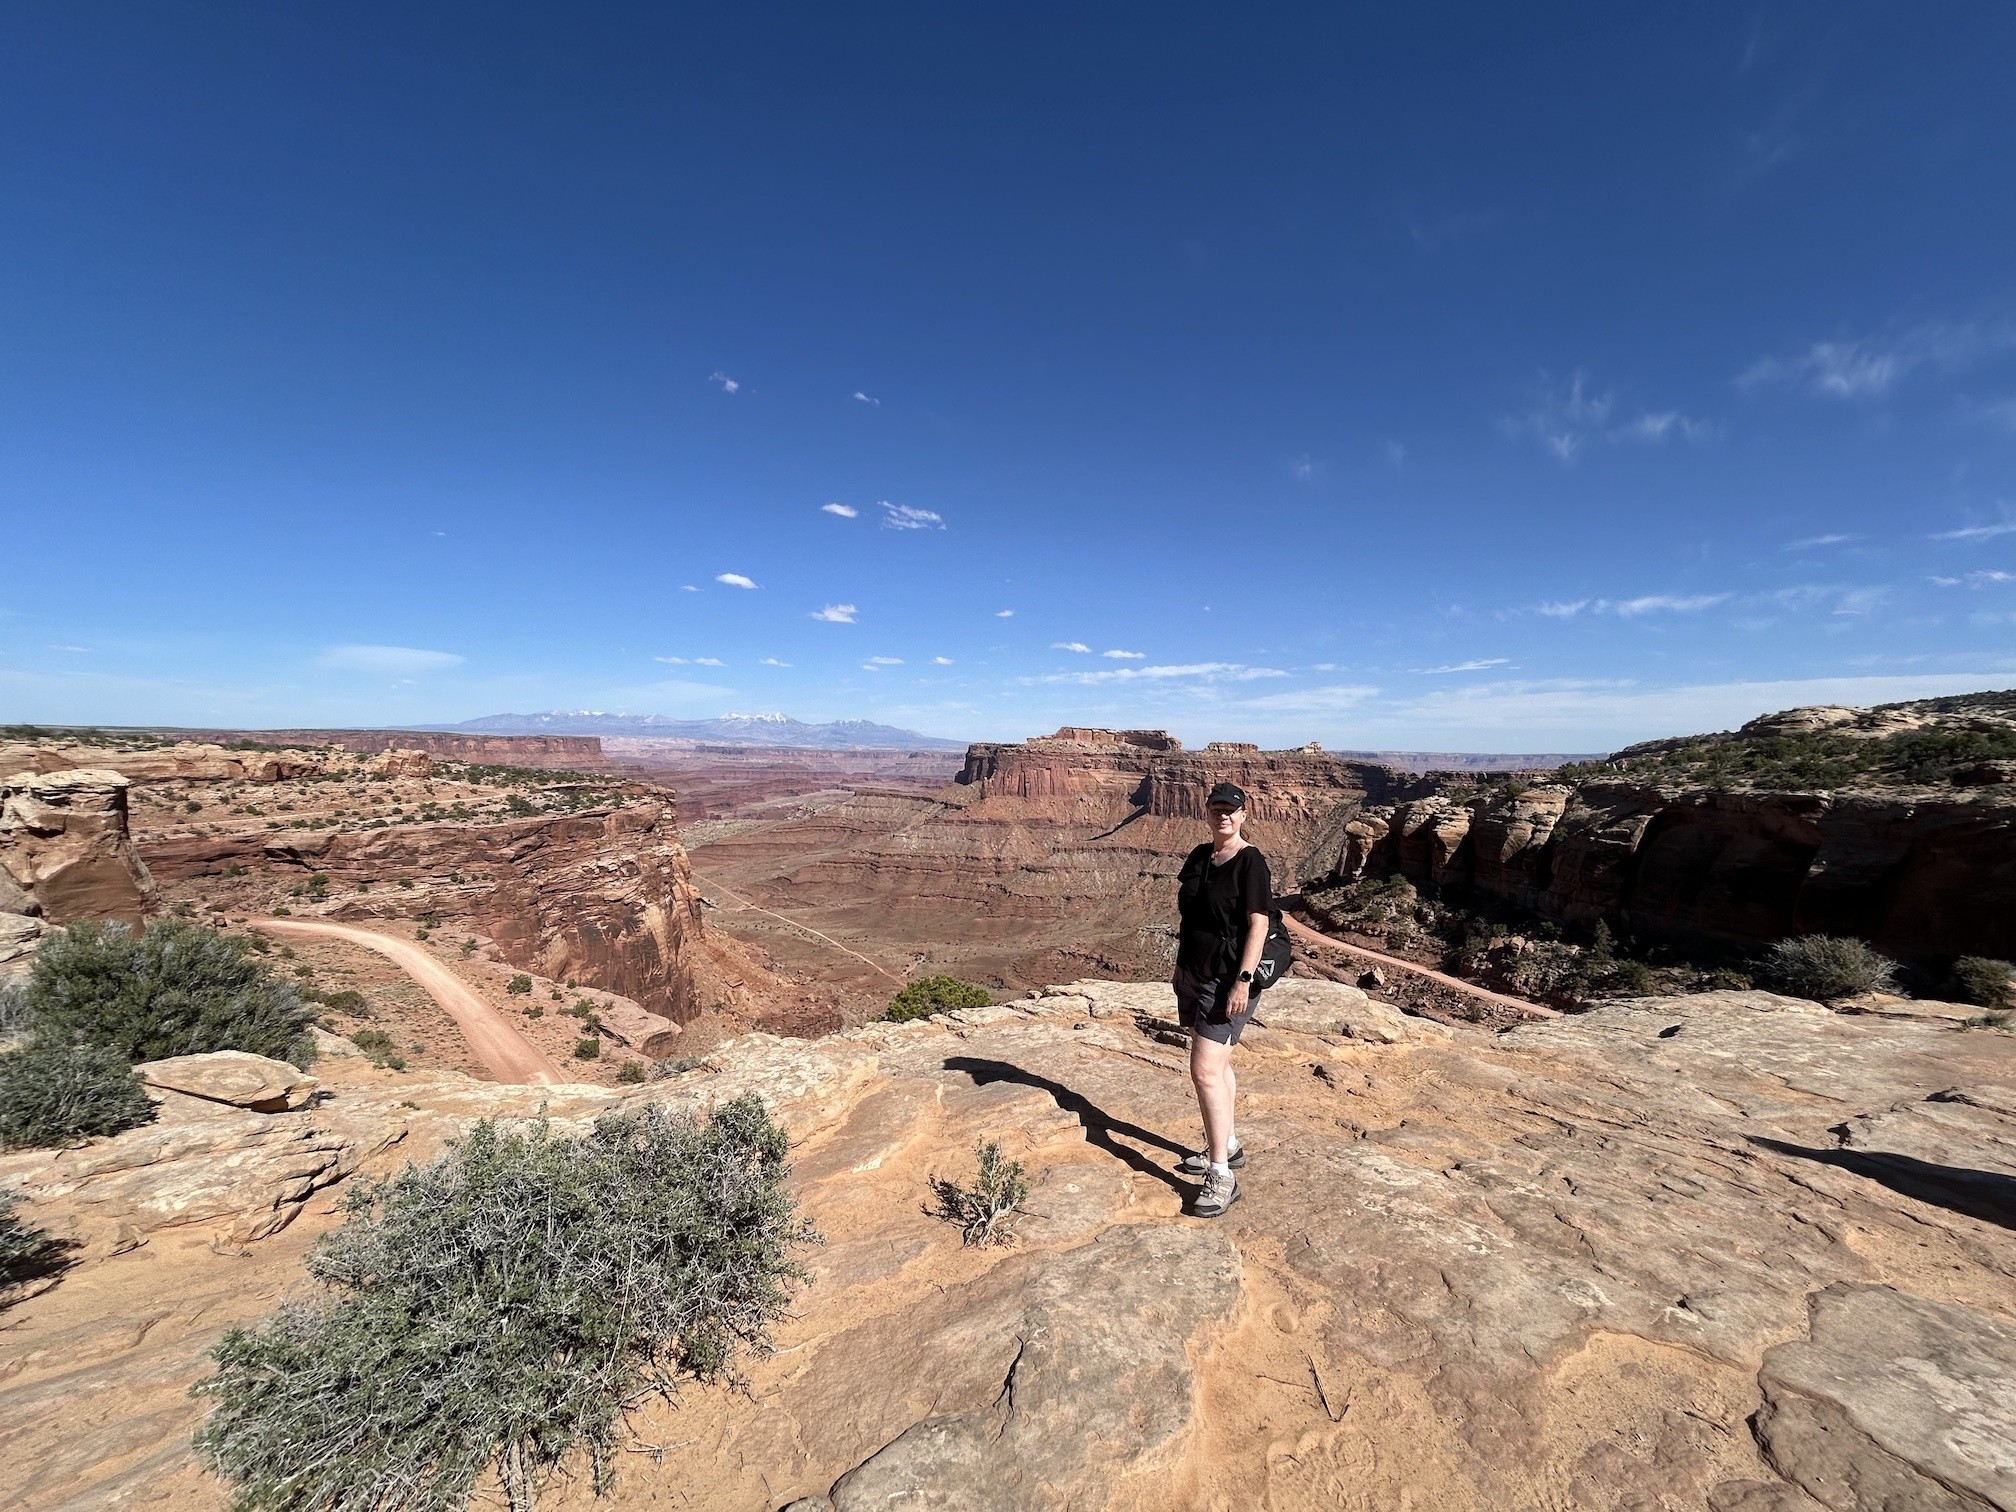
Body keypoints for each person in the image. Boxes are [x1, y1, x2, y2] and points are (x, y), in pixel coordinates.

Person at [1172, 779, 1273, 1218]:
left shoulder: (1251, 863)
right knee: (1220, 1064)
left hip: (1227, 977)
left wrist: (1243, 980)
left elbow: (1259, 924)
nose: (1224, 816)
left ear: (1244, 815)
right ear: (1207, 813)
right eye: (1216, 809)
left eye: (1231, 810)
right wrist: (1181, 970)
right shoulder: (1201, 856)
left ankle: (1221, 1175)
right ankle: (1228, 1145)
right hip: (1195, 972)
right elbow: (1192, 914)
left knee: (1204, 1070)